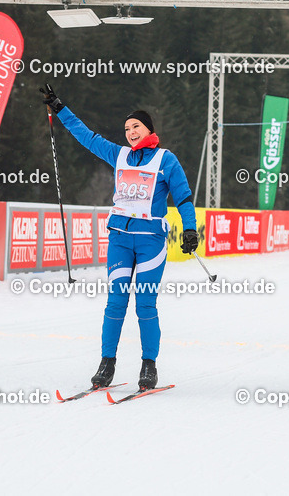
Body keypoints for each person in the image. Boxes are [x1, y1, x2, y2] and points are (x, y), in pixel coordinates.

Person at [41, 84, 199, 391]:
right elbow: (87, 137)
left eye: (136, 126)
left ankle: (149, 366)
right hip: (120, 240)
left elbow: (183, 197)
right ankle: (107, 363)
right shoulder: (120, 155)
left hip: (150, 241)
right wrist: (60, 109)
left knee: (145, 304)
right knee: (115, 303)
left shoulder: (166, 160)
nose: (130, 132)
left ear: (149, 129)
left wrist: (190, 229)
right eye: (127, 129)